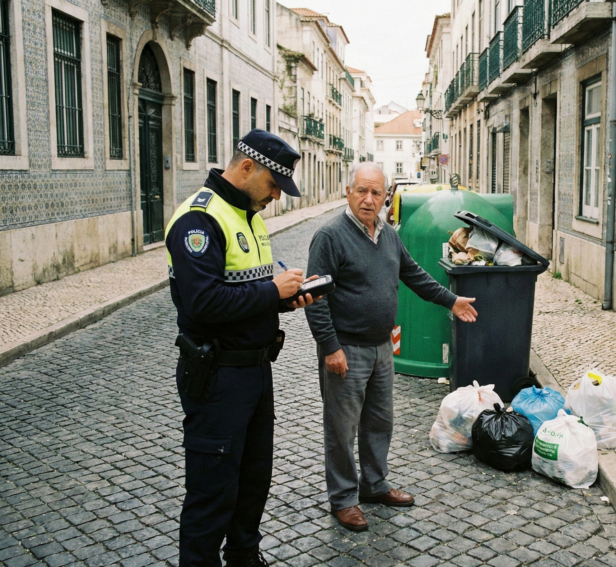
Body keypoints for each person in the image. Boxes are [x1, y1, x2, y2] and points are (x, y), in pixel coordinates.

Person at [165, 130, 318, 567]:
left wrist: (288, 299)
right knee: (213, 491)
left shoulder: (251, 217)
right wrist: (272, 292)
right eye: (273, 184)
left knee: (253, 482)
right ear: (247, 167)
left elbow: (246, 298)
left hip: (254, 374)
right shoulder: (199, 220)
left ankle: (245, 558)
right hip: (216, 377)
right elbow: (204, 302)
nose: (276, 196)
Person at [304, 162, 478, 532]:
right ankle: (344, 499)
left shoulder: (389, 235)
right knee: (341, 429)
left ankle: (374, 485)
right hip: (346, 350)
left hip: (382, 348)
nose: (369, 200)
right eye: (362, 191)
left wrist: (452, 301)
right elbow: (315, 298)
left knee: (379, 423)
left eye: (376, 193)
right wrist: (330, 347)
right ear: (348, 192)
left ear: (387, 197)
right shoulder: (330, 236)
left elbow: (414, 275)